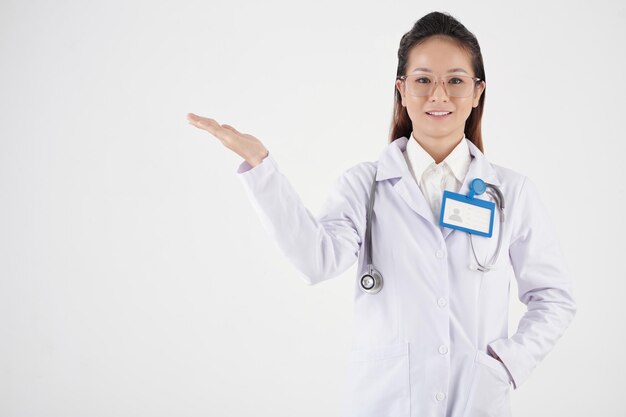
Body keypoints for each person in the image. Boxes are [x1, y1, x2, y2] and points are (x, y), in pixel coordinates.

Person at [186, 11, 576, 417]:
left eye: (456, 81)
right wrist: (261, 166)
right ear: (402, 90)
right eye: (423, 80)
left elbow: (554, 298)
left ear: (478, 92)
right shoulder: (366, 185)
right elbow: (315, 260)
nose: (439, 95)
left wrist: (506, 363)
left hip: (476, 400)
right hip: (386, 402)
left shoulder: (511, 193)